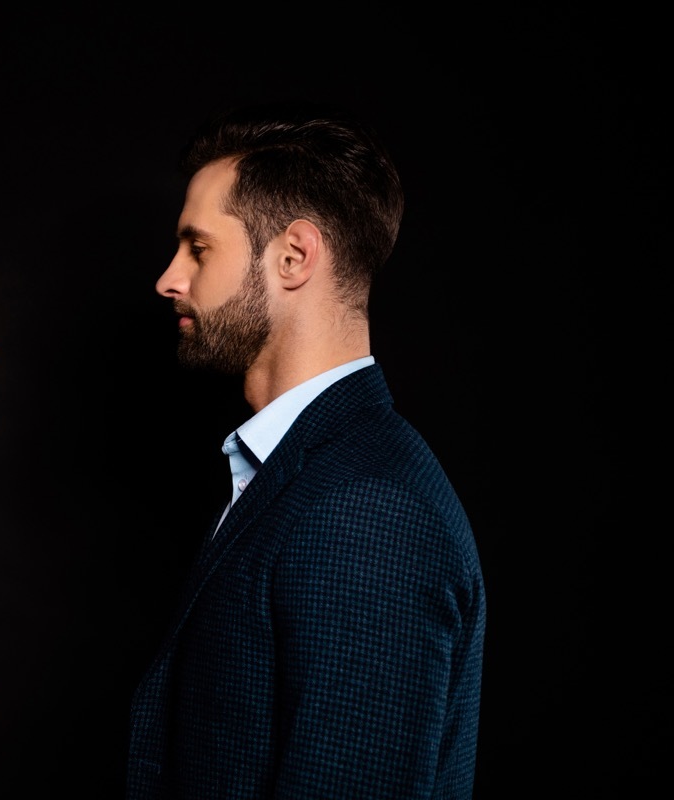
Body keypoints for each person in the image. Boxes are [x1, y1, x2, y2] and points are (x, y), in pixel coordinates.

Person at [127, 102, 486, 799]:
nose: (168, 278)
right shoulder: (301, 470)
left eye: (198, 248)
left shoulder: (367, 510)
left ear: (293, 256)